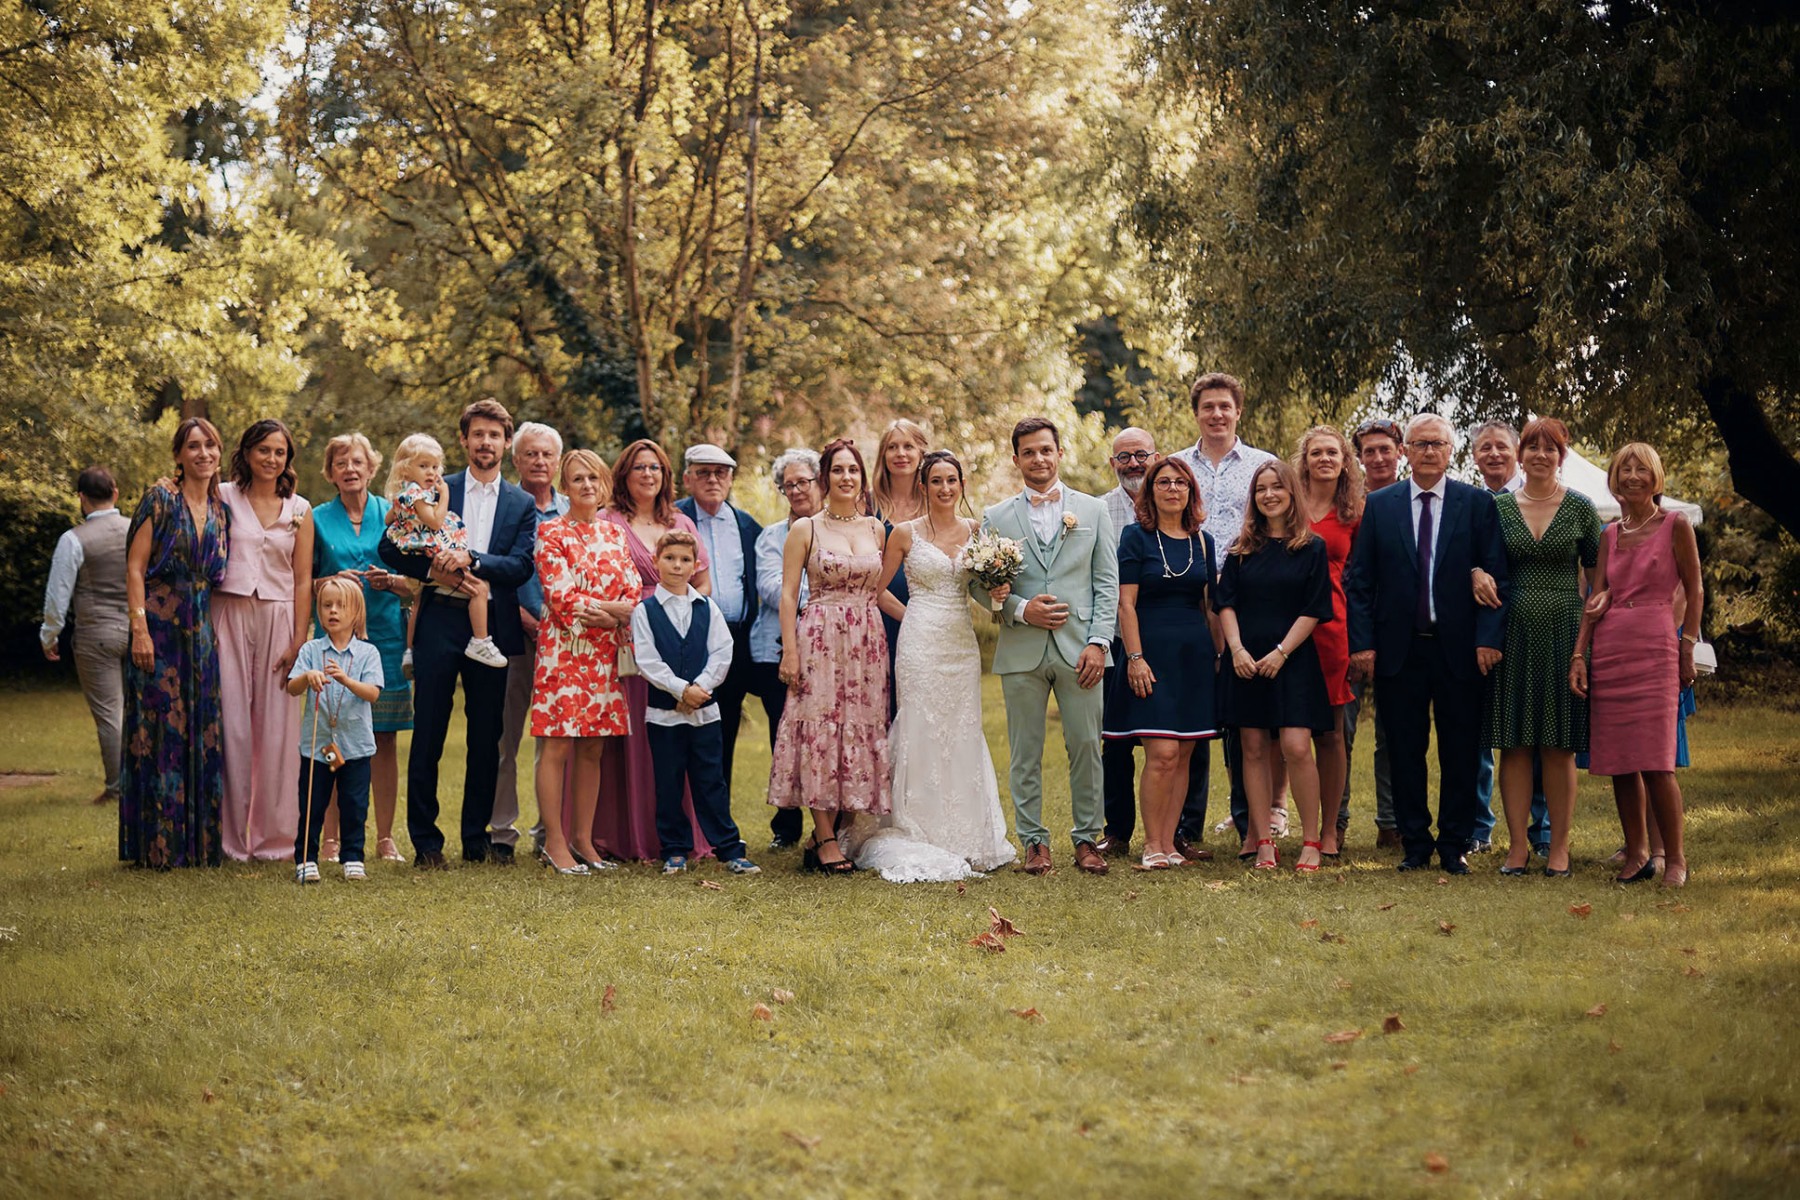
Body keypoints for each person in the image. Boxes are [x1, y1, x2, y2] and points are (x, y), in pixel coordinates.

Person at [1345, 413, 1510, 875]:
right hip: (1399, 648)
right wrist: (1363, 644)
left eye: (1438, 443)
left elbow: (1497, 575)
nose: (1429, 451)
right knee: (1403, 749)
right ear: (1406, 452)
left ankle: (1454, 844)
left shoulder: (1476, 504)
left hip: (1460, 647)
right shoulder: (1382, 505)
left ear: (1451, 451)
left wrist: (1488, 638)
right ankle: (1415, 843)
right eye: (1420, 444)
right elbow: (1361, 582)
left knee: (1460, 750)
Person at [379, 399, 539, 868]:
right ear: (464, 440)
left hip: (492, 626)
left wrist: (473, 560)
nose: (486, 442)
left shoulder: (521, 503)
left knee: (487, 736)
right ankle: (426, 843)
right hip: (439, 620)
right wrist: (434, 570)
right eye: (478, 434)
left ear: (506, 444)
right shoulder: (435, 486)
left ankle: (475, 838)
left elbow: (521, 565)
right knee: (429, 731)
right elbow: (389, 547)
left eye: (495, 435)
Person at [846, 450, 1016, 881]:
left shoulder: (976, 531)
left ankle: (966, 830)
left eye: (951, 480)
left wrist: (998, 594)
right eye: (936, 480)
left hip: (961, 644)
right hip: (920, 642)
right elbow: (876, 589)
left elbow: (981, 591)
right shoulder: (904, 533)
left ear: (962, 485)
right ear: (924, 486)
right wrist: (913, 616)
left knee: (962, 727)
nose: (944, 488)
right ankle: (914, 822)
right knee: (920, 725)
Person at [976, 417, 1118, 876]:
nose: (1038, 459)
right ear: (1016, 459)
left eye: (1045, 450)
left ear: (1059, 453)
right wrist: (1020, 610)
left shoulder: (1093, 511)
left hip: (1082, 650)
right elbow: (979, 583)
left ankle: (1087, 838)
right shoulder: (996, 516)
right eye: (1028, 452)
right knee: (1025, 751)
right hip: (1022, 649)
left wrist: (1098, 642)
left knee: (1086, 746)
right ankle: (1034, 842)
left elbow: (1107, 582)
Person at [1573, 442, 1702, 889]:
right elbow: (1596, 596)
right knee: (1620, 759)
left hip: (1656, 644)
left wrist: (1687, 646)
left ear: (1655, 477)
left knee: (1657, 761)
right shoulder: (1609, 534)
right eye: (1623, 469)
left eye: (1640, 469)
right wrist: (1579, 654)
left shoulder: (1675, 524)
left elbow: (1695, 589)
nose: (1631, 476)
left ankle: (1676, 859)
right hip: (1611, 646)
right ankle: (1637, 853)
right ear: (1614, 478)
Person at [768, 438, 898, 871]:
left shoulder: (876, 529)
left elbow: (879, 592)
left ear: (862, 477)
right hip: (820, 639)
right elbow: (789, 595)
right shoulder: (806, 529)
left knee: (859, 730)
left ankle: (831, 833)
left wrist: (922, 619)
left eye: (853, 470)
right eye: (838, 470)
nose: (846, 477)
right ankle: (824, 837)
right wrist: (790, 651)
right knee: (819, 730)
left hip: (867, 643)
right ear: (825, 478)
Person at [1483, 417, 1601, 878]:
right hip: (1511, 632)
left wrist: (1582, 649)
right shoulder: (1497, 508)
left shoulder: (1581, 508)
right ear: (1521, 455)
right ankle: (1517, 848)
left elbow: (1598, 583)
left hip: (1564, 631)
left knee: (1558, 744)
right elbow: (1479, 563)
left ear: (1561, 456)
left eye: (1550, 449)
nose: (1540, 455)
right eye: (1532, 447)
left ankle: (1559, 848)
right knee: (1513, 743)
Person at [599, 439, 715, 860]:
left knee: (677, 737)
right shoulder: (608, 521)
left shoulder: (680, 522)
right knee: (630, 736)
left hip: (678, 639)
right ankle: (625, 835)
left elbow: (703, 583)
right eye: (639, 467)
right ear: (624, 475)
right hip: (625, 638)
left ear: (666, 476)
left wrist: (681, 618)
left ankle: (679, 835)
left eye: (655, 468)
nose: (647, 475)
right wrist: (628, 612)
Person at [121, 417, 229, 868]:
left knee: (200, 731)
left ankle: (198, 845)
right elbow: (134, 567)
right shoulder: (160, 499)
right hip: (159, 630)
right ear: (179, 455)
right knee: (160, 731)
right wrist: (139, 629)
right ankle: (158, 845)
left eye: (211, 445)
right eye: (194, 446)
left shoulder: (221, 509)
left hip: (201, 634)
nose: (204, 453)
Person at [1217, 461, 1335, 871]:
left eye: (1277, 487)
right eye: (1261, 489)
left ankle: (1311, 841)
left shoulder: (1311, 547)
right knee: (1251, 749)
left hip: (1293, 659)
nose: (1269, 495)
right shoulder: (1241, 548)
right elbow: (1225, 604)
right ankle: (1263, 841)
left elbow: (1314, 608)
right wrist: (1236, 650)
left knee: (1296, 747)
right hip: (1246, 661)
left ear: (1291, 493)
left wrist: (1282, 652)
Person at [1103, 456, 1220, 870]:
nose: (1173, 489)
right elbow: (1126, 604)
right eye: (1164, 482)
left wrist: (1219, 656)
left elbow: (1210, 607)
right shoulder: (1135, 537)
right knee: (1163, 752)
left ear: (1191, 491)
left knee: (1184, 752)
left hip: (1194, 658)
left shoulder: (1202, 541)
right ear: (1150, 491)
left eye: (1180, 483)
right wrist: (1134, 658)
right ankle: (1151, 844)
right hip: (1150, 656)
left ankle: (1170, 843)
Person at [530, 450, 638, 875]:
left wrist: (613, 613)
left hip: (606, 654)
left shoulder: (615, 534)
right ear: (565, 487)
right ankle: (554, 842)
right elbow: (562, 598)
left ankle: (583, 839)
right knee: (557, 745)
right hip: (564, 651)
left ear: (604, 483)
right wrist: (613, 610)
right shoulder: (551, 532)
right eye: (578, 479)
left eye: (593, 477)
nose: (587, 485)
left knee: (593, 746)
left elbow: (633, 591)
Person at [1180, 372, 1277, 847]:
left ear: (1238, 411)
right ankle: (1187, 825)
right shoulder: (1176, 466)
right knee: (1193, 709)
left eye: (1225, 406)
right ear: (1196, 413)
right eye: (1208, 407)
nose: (1217, 414)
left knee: (1245, 716)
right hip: (1187, 600)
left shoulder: (1264, 465)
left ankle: (1249, 824)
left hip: (1247, 602)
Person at [633, 530, 760, 876]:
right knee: (668, 782)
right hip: (664, 716)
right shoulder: (645, 612)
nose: (677, 565)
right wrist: (680, 690)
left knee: (711, 781)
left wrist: (699, 688)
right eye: (669, 558)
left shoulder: (708, 608)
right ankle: (674, 849)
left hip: (705, 714)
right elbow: (647, 660)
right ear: (656, 561)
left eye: (685, 559)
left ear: (696, 565)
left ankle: (729, 848)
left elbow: (722, 652)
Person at [311, 432, 411, 864]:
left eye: (357, 462)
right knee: (334, 738)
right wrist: (331, 582)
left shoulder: (393, 514)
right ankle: (332, 839)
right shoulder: (316, 518)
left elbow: (415, 582)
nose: (350, 469)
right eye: (341, 463)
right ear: (330, 473)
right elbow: (302, 582)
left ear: (372, 469)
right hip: (334, 643)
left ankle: (385, 837)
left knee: (382, 740)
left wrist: (391, 581)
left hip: (385, 638)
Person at [216, 419, 313, 862]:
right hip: (229, 612)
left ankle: (274, 841)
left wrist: (299, 639)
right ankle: (229, 840)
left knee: (278, 732)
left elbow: (303, 577)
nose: (272, 459)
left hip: (279, 617)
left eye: (280, 452)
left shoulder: (300, 508)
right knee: (231, 727)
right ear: (247, 452)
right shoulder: (223, 496)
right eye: (264, 450)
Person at [1470, 419, 1550, 857]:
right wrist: (1472, 570)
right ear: (1474, 457)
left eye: (1501, 446)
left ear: (1516, 453)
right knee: (1480, 733)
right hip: (1483, 630)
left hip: (1536, 626)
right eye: (1485, 448)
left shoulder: (1543, 498)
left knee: (1537, 732)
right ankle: (1479, 827)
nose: (1494, 454)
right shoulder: (1472, 503)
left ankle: (1543, 832)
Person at [494, 421, 568, 860]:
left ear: (557, 461)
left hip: (565, 643)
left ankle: (549, 833)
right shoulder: (506, 506)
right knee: (506, 739)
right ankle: (502, 833)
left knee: (555, 741)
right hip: (514, 636)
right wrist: (526, 619)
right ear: (516, 460)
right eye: (531, 454)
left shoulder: (572, 509)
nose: (539, 461)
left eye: (547, 454)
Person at [676, 443, 763, 798]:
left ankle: (717, 813)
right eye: (703, 472)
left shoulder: (747, 526)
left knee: (724, 729)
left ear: (730, 479)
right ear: (687, 479)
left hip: (734, 639)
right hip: (686, 638)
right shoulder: (675, 518)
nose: (713, 479)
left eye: (721, 473)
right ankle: (682, 813)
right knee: (682, 728)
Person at [40, 466, 130, 805]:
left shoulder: (73, 539)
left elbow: (57, 594)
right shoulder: (137, 529)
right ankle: (141, 783)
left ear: (81, 498)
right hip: (140, 632)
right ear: (115, 493)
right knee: (136, 711)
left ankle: (117, 789)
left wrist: (49, 636)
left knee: (110, 714)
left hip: (97, 635)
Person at [382, 435, 510, 671]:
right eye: (423, 466)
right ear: (406, 468)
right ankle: (480, 640)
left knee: (418, 599)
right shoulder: (420, 495)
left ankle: (409, 651)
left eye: (434, 467)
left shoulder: (404, 493)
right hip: (432, 549)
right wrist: (445, 497)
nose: (431, 473)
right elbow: (434, 522)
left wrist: (406, 523)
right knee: (480, 589)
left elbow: (389, 519)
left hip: (414, 549)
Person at [286, 577, 383, 883]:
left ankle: (353, 857)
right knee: (312, 803)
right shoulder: (311, 650)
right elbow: (292, 687)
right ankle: (306, 859)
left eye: (341, 606)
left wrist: (346, 680)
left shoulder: (368, 653)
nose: (333, 611)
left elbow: (372, 693)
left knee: (354, 804)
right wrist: (307, 677)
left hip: (356, 747)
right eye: (327, 605)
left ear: (356, 614)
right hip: (317, 746)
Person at [1295, 425, 1363, 858]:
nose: (1324, 459)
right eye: (1316, 452)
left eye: (1332, 453)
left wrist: (1361, 641)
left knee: (1332, 735)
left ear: (1344, 461)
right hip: (1285, 628)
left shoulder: (1355, 513)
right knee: (1286, 734)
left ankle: (1331, 830)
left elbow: (1364, 579)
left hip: (1334, 629)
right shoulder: (1288, 505)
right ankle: (1276, 825)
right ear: (1304, 461)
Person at [755, 449, 821, 850]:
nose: (796, 490)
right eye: (788, 485)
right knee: (783, 737)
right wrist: (825, 598)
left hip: (831, 649)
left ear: (819, 482)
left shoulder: (837, 528)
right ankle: (786, 825)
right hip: (777, 649)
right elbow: (771, 587)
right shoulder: (771, 537)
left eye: (803, 482)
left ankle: (830, 825)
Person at [1348, 417, 1404, 849]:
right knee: (1340, 731)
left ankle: (1391, 820)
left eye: (1386, 449)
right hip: (1346, 627)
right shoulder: (1347, 503)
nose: (1379, 457)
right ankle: (1337, 821)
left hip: (1399, 627)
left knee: (1394, 732)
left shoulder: (1412, 499)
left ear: (1400, 452)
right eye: (1370, 451)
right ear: (1359, 458)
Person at [872, 418, 931, 719]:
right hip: (879, 619)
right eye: (892, 447)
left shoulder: (936, 504)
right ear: (883, 456)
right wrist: (910, 618)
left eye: (908, 446)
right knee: (882, 704)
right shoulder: (867, 507)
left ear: (921, 453)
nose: (901, 454)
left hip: (929, 621)